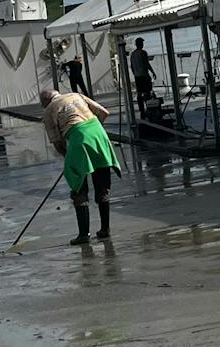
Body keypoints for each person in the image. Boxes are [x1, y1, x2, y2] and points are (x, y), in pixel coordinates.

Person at [38, 85, 121, 245]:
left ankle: (84, 234)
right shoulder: (76, 95)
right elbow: (104, 113)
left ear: (46, 102)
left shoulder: (49, 111)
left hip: (78, 138)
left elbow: (56, 142)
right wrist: (94, 132)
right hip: (99, 135)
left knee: (79, 188)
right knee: (102, 186)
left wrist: (69, 156)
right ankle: (105, 229)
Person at [129, 37, 156, 123]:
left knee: (139, 93)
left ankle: (142, 110)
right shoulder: (143, 53)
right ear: (140, 44)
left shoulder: (132, 54)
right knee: (148, 92)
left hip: (137, 76)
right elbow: (146, 63)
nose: (143, 44)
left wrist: (135, 73)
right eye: (142, 43)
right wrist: (152, 72)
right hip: (144, 75)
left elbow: (132, 66)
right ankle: (149, 108)